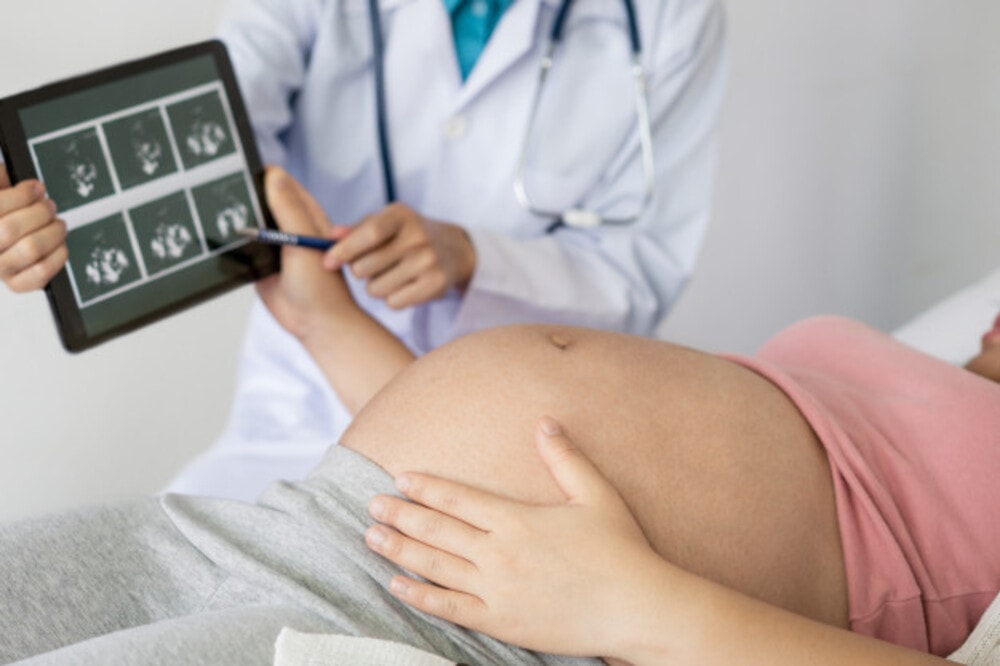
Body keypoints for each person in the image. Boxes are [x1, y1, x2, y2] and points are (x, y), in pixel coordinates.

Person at [0, 169, 997, 665]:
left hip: (426, 631)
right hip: (292, 523)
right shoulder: (916, 369)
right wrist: (325, 322)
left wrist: (629, 604)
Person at [0, 0, 728, 501]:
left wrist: (474, 257)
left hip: (519, 429)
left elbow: (639, 269)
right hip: (302, 407)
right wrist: (57, 207)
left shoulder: (669, 16)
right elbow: (214, 120)